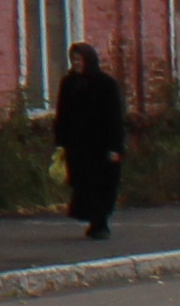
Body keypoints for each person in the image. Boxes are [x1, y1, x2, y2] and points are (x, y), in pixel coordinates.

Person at [52, 41, 129, 240]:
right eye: (74, 59)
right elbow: (63, 113)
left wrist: (115, 147)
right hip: (78, 146)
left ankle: (101, 223)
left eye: (79, 59)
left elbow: (114, 117)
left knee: (103, 184)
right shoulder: (69, 83)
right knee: (83, 184)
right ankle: (93, 220)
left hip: (102, 145)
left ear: (89, 60)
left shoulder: (105, 84)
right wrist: (61, 141)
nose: (76, 63)